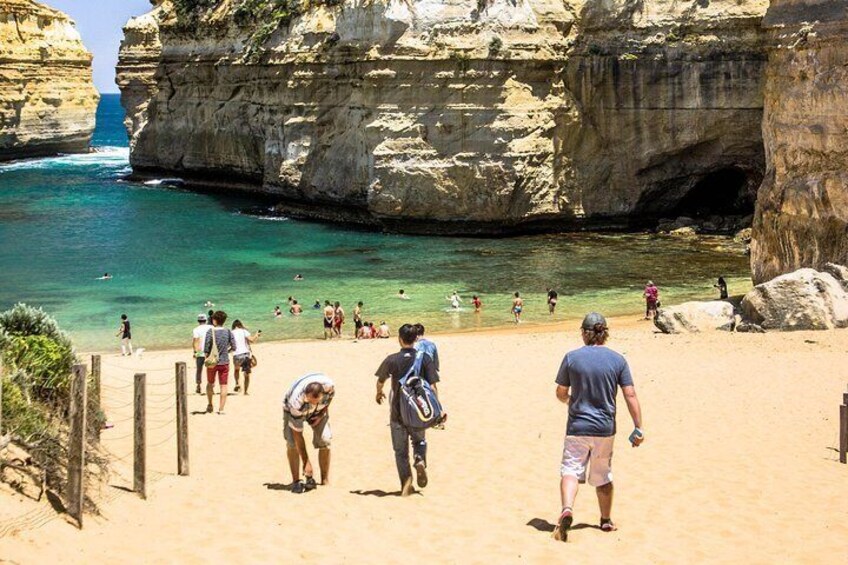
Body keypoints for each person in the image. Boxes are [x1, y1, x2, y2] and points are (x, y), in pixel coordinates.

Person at [554, 312, 644, 541]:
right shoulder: (618, 360)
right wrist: (638, 427)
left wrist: (569, 399)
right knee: (603, 474)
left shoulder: (571, 358)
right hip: (605, 428)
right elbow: (630, 394)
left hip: (577, 427)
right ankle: (605, 521)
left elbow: (560, 392)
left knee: (571, 470)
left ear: (584, 333)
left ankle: (567, 509)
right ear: (604, 333)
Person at [375, 324, 442, 496]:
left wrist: (378, 393)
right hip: (418, 410)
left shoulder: (392, 359)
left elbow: (380, 380)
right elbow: (433, 387)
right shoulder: (424, 358)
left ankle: (407, 484)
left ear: (399, 339)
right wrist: (436, 410)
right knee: (419, 441)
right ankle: (419, 460)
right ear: (416, 339)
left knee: (400, 451)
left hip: (397, 413)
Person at [283, 373, 334, 493]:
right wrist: (306, 462)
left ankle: (324, 480)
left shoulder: (330, 388)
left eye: (316, 401)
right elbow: (298, 435)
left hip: (320, 411)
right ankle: (296, 481)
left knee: (325, 440)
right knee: (292, 443)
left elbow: (328, 401)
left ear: (322, 394)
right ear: (305, 396)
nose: (313, 404)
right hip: (292, 410)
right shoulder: (295, 402)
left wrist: (320, 414)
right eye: (311, 401)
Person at [204, 310, 237, 414]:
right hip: (224, 362)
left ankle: (210, 404)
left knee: (210, 383)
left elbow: (206, 349)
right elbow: (234, 347)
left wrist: (207, 358)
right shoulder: (228, 331)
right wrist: (226, 351)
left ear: (214, 320)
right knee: (223, 385)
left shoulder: (210, 331)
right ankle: (221, 409)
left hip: (212, 362)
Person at [231, 319, 259, 394]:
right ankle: (245, 392)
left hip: (236, 355)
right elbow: (252, 340)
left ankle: (237, 383)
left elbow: (230, 345)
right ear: (240, 325)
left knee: (236, 370)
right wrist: (257, 335)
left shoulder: (231, 332)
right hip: (245, 355)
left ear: (234, 326)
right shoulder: (244, 331)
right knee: (246, 374)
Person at [192, 314, 212, 394]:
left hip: (200, 352)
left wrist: (195, 352)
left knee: (199, 369)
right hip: (209, 352)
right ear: (206, 320)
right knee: (210, 370)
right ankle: (211, 386)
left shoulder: (196, 329)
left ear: (198, 321)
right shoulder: (211, 328)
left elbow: (195, 342)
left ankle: (198, 385)